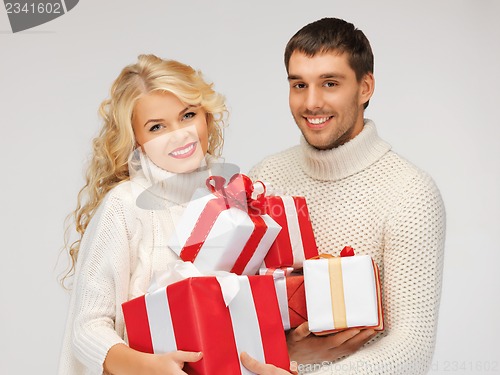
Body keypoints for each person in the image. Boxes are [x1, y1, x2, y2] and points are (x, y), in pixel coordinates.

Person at [248, 17, 446, 374]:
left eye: (330, 83)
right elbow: (231, 307)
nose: (311, 102)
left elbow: (411, 348)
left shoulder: (410, 193)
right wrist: (282, 348)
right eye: (299, 84)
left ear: (365, 87)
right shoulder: (264, 177)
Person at [58, 54, 233, 374]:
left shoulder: (227, 197)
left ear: (206, 117)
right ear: (136, 140)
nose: (179, 134)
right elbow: (86, 329)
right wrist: (148, 367)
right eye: (157, 127)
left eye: (188, 115)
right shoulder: (124, 206)